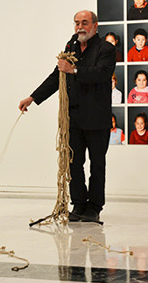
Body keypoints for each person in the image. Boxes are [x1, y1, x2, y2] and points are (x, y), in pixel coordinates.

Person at [18, 10, 116, 222]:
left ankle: (94, 207)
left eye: (85, 23)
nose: (80, 27)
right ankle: (79, 204)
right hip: (74, 118)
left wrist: (74, 70)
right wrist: (33, 98)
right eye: (77, 23)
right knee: (74, 162)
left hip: (97, 119)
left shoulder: (106, 49)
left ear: (95, 26)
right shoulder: (71, 47)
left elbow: (101, 73)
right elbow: (57, 76)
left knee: (97, 163)